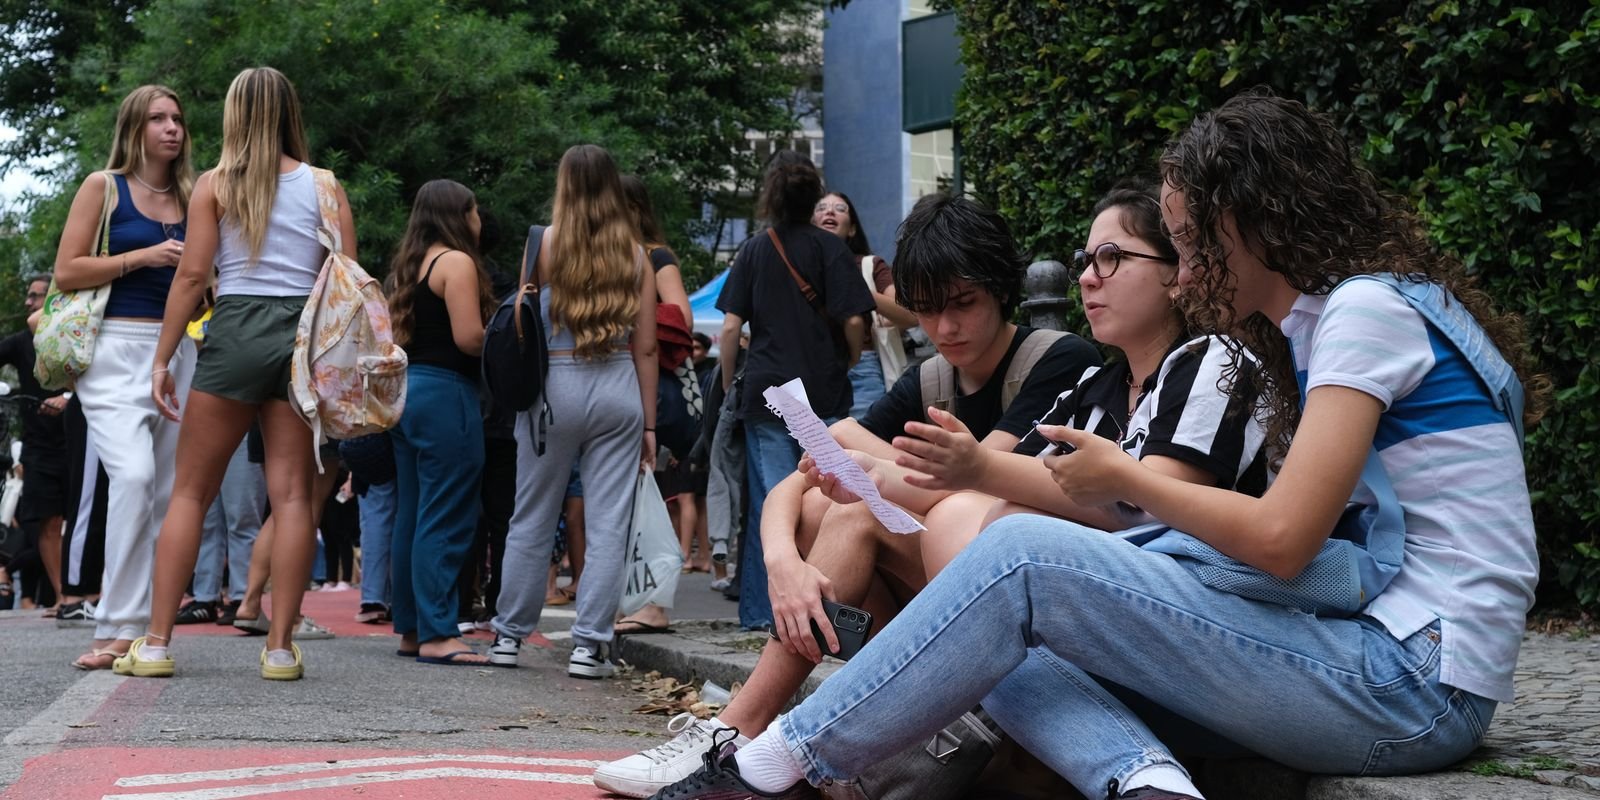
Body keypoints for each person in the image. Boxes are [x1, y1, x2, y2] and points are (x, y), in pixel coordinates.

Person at [647, 91, 1548, 800]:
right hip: (1389, 656)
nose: (1188, 274)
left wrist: (1129, 481)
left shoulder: (1362, 313)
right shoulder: (1334, 317)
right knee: (996, 631)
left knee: (1016, 559)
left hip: (1413, 681)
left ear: (1252, 223)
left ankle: (775, 758)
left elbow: (1284, 538)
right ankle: (1140, 780)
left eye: (1193, 247)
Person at [593, 192, 1102, 796]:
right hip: (956, 609)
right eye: (929, 309)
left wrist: (853, 449)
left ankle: (736, 731)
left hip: (1030, 614)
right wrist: (782, 564)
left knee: (855, 510)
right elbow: (794, 485)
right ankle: (791, 738)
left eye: (964, 304)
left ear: (1000, 288)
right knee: (816, 502)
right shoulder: (931, 379)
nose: (945, 327)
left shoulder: (1056, 359)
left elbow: (971, 484)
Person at [118, 66, 356, 681]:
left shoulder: (216, 186)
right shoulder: (325, 185)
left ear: (234, 114)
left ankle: (157, 643)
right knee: (294, 496)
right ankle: (279, 650)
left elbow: (193, 279)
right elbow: (348, 281)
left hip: (236, 330)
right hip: (302, 339)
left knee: (191, 493)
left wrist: (162, 358)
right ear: (288, 113)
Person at [488, 144, 658, 678]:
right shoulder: (636, 256)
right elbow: (647, 348)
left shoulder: (542, 244)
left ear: (563, 185)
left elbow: (522, 323)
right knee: (609, 522)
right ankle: (589, 647)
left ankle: (508, 638)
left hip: (553, 387)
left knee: (531, 515)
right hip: (617, 387)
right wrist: (650, 423)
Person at [50, 85, 195, 671]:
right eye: (158, 119)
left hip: (178, 348)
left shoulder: (196, 192)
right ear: (134, 127)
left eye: (178, 119)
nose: (172, 129)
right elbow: (66, 272)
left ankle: (144, 629)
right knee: (133, 479)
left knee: (166, 494)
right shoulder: (102, 186)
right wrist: (145, 256)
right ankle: (113, 623)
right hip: (113, 348)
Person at [716, 152, 874, 630]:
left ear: (771, 197)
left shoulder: (755, 249)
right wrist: (847, 358)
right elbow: (853, 319)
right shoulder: (831, 250)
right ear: (811, 197)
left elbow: (728, 328)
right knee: (829, 497)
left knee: (772, 502)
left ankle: (763, 616)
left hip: (767, 391)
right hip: (821, 391)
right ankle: (824, 610)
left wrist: (730, 385)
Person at [384, 178, 494, 666]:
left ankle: (411, 627)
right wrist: (508, 337)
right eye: (473, 210)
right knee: (447, 512)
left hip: (408, 392)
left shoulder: (411, 265)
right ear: (458, 214)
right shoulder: (456, 262)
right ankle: (438, 632)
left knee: (412, 512)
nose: (479, 219)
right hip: (447, 392)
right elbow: (469, 337)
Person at [616, 175, 694, 635]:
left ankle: (654, 605)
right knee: (625, 501)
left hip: (647, 389)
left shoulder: (653, 256)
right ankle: (635, 601)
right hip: (622, 386)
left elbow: (680, 315)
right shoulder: (608, 256)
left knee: (652, 498)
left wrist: (631, 315)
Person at [812, 192, 917, 419]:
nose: (829, 211)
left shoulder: (870, 265)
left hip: (862, 370)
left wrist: (859, 291)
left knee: (863, 448)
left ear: (852, 229)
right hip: (812, 371)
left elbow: (909, 315)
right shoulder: (797, 268)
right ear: (810, 224)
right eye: (821, 207)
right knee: (816, 454)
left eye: (840, 208)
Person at [1, 275, 69, 614]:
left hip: (79, 437)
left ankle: (91, 591)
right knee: (47, 520)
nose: (28, 302)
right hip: (39, 445)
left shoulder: (75, 331)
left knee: (85, 516)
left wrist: (69, 397)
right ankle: (62, 596)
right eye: (27, 296)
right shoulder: (19, 343)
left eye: (35, 296)